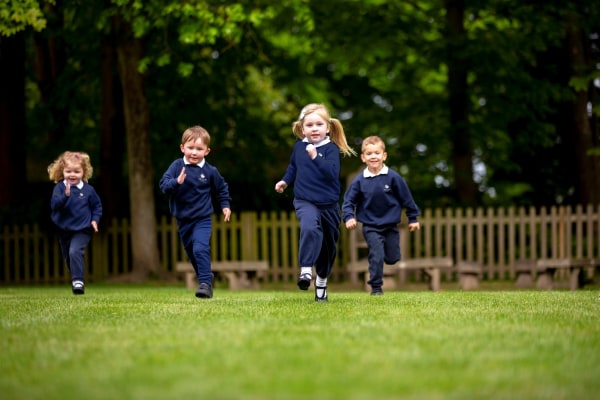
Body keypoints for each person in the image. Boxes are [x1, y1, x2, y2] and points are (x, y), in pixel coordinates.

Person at [275, 103, 356, 302]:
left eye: (319, 124)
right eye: (309, 125)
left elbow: (331, 174)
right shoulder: (300, 147)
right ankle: (305, 271)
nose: (314, 128)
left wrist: (316, 157)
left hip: (328, 205)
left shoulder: (331, 149)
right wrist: (285, 180)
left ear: (327, 127)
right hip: (305, 200)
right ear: (302, 129)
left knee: (328, 247)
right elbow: (294, 166)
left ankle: (321, 282)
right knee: (310, 228)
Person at [342, 136, 420, 295]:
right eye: (369, 153)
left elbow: (407, 198)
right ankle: (376, 288)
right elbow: (348, 201)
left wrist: (413, 218)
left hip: (391, 226)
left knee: (392, 258)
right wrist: (349, 217)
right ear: (363, 157)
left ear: (384, 155)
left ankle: (386, 258)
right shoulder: (359, 181)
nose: (373, 156)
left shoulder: (393, 177)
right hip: (370, 226)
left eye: (377, 153)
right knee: (376, 255)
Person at [159, 125, 231, 299]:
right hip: (183, 220)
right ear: (182, 147)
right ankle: (206, 276)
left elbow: (221, 189)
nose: (194, 152)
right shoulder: (177, 166)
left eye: (199, 149)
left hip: (202, 218)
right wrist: (176, 182)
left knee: (200, 249)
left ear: (207, 151)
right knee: (192, 253)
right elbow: (164, 185)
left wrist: (225, 205)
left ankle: (205, 284)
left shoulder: (210, 171)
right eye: (190, 148)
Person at [48, 151, 103, 295]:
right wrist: (65, 196)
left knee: (75, 251)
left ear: (83, 172)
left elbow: (97, 206)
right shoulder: (59, 188)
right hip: (64, 229)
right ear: (62, 171)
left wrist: (94, 220)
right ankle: (75, 275)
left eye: (77, 171)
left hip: (83, 228)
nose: (72, 175)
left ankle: (78, 282)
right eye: (68, 171)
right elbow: (55, 205)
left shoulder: (89, 190)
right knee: (68, 256)